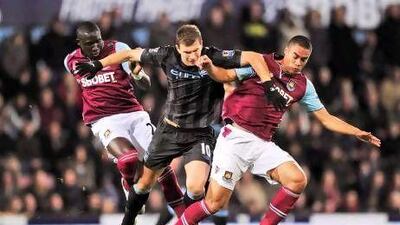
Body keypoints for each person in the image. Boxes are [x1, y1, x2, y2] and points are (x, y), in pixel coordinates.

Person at [75, 24, 286, 225]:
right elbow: (130, 54)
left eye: (196, 50)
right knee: (143, 186)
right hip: (169, 131)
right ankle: (128, 221)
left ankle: (181, 220)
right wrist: (98, 64)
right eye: (187, 52)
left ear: (201, 43)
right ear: (178, 48)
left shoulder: (213, 56)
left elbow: (254, 57)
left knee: (195, 189)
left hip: (200, 134)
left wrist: (268, 84)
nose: (193, 56)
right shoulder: (166, 55)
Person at [172, 35, 381, 225]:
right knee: (214, 203)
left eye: (304, 59)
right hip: (235, 138)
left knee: (297, 179)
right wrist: (209, 67)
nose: (298, 62)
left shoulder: (303, 86)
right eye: (296, 56)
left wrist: (357, 132)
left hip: (263, 144)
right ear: (287, 50)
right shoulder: (261, 63)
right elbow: (226, 75)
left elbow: (326, 118)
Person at [63, 21, 185, 216]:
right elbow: (72, 86)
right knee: (128, 159)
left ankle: (185, 217)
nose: (96, 46)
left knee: (164, 166)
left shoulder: (118, 49)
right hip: (104, 119)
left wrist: (137, 76)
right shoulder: (71, 61)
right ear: (79, 43)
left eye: (98, 41)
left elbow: (146, 83)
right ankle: (129, 187)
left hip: (133, 113)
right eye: (90, 43)